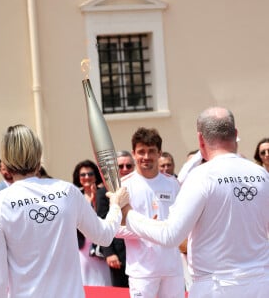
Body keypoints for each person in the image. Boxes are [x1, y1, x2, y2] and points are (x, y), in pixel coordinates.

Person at [122, 107, 269, 297]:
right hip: (260, 283)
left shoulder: (200, 176)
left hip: (217, 287)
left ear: (200, 139)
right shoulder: (261, 175)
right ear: (235, 134)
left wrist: (128, 213)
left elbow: (170, 235)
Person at [0, 124, 128, 298]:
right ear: (38, 155)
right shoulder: (67, 191)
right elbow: (103, 236)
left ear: (5, 161)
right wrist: (116, 206)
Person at [117, 127, 184, 298]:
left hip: (172, 269)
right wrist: (145, 228)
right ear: (133, 153)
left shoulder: (173, 184)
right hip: (142, 272)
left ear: (159, 153)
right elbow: (114, 228)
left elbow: (183, 222)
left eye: (151, 151)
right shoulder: (124, 186)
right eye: (141, 152)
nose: (146, 157)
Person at [96, 150, 135, 287]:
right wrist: (109, 253)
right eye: (121, 166)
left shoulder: (141, 188)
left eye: (129, 166)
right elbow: (102, 222)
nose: (125, 169)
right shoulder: (102, 193)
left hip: (143, 252)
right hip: (119, 255)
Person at [72, 159, 112, 286]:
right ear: (78, 178)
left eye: (90, 174)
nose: (87, 177)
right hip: (82, 247)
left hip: (100, 246)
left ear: (96, 176)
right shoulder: (75, 195)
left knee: (103, 282)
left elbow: (102, 219)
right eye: (83, 175)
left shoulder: (104, 194)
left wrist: (95, 201)